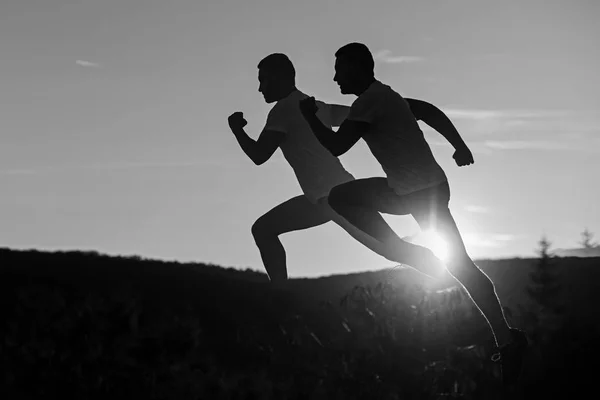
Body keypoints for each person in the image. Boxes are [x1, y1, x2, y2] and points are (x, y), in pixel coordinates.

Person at [298, 42, 528, 387]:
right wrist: (459, 144)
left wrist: (308, 117)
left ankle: (508, 340)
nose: (334, 78)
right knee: (344, 196)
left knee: (460, 265)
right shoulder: (387, 97)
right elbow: (429, 111)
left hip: (422, 195)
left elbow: (335, 146)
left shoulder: (370, 101)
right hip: (412, 190)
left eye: (340, 70)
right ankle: (505, 337)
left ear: (359, 69)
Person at [227, 53, 463, 284]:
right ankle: (281, 295)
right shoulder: (318, 106)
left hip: (337, 200)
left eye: (263, 80)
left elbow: (259, 155)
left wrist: (237, 129)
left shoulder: (283, 110)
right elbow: (368, 114)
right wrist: (408, 107)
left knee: (394, 250)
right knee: (264, 228)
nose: (260, 88)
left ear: (280, 78)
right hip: (319, 199)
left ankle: (453, 280)